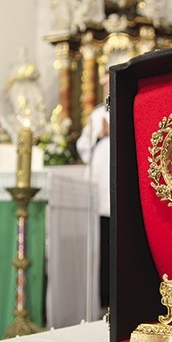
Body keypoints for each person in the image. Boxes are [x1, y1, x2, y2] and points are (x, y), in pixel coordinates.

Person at [76, 78, 111, 309]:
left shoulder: (130, 105)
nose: (109, 88)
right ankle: (102, 297)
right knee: (102, 243)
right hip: (100, 185)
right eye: (107, 85)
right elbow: (82, 146)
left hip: (120, 183)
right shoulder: (97, 113)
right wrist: (100, 135)